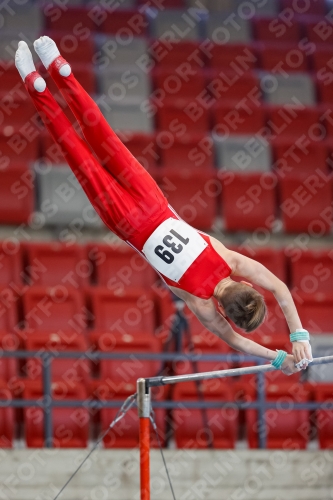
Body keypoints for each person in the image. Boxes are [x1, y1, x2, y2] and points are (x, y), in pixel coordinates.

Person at [15, 37, 312, 376]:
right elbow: (237, 342)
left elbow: (279, 287)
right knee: (78, 153)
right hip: (129, 224)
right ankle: (34, 83)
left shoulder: (229, 259)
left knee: (103, 137)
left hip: (151, 199)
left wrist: (298, 334)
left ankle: (59, 68)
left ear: (247, 284)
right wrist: (279, 359)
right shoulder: (201, 303)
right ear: (225, 313)